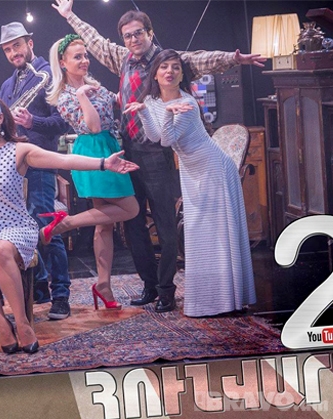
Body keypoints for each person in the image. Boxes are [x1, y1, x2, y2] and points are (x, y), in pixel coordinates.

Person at [52, 0, 265, 312]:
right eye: (128, 35)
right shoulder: (123, 58)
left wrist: (235, 58)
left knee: (165, 225)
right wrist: (70, 15)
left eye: (138, 33)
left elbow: (200, 59)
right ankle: (149, 285)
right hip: (126, 151)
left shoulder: (165, 61)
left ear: (149, 33)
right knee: (133, 223)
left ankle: (166, 289)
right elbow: (95, 41)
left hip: (156, 154)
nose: (133, 39)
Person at [0, 95, 139, 354]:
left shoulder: (19, 150)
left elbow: (62, 160)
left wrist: (103, 163)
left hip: (14, 225)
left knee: (0, 249)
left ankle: (22, 323)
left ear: (0, 119)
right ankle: (1, 323)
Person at [124, 49, 256, 317]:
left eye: (175, 67)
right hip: (191, 169)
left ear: (181, 74)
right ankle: (210, 299)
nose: (170, 72)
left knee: (216, 235)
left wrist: (168, 114)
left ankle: (226, 300)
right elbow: (153, 135)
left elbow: (166, 140)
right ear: (155, 74)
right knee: (199, 235)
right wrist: (145, 112)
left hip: (213, 168)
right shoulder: (151, 100)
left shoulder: (187, 103)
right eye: (164, 67)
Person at [45, 35, 139, 313]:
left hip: (110, 147)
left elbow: (118, 101)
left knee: (105, 223)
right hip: (92, 152)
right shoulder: (63, 96)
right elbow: (94, 127)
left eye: (85, 55)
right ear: (63, 63)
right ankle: (67, 223)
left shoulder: (94, 85)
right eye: (77, 57)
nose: (84, 61)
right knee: (131, 208)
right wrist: (82, 95)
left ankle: (104, 285)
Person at [0, 22, 72, 320]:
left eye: (16, 45)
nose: (13, 52)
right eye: (7, 49)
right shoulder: (6, 85)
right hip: (14, 166)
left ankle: (61, 294)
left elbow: (62, 122)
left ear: (30, 43)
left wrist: (32, 122)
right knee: (21, 230)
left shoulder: (49, 74)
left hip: (39, 163)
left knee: (46, 226)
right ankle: (39, 287)